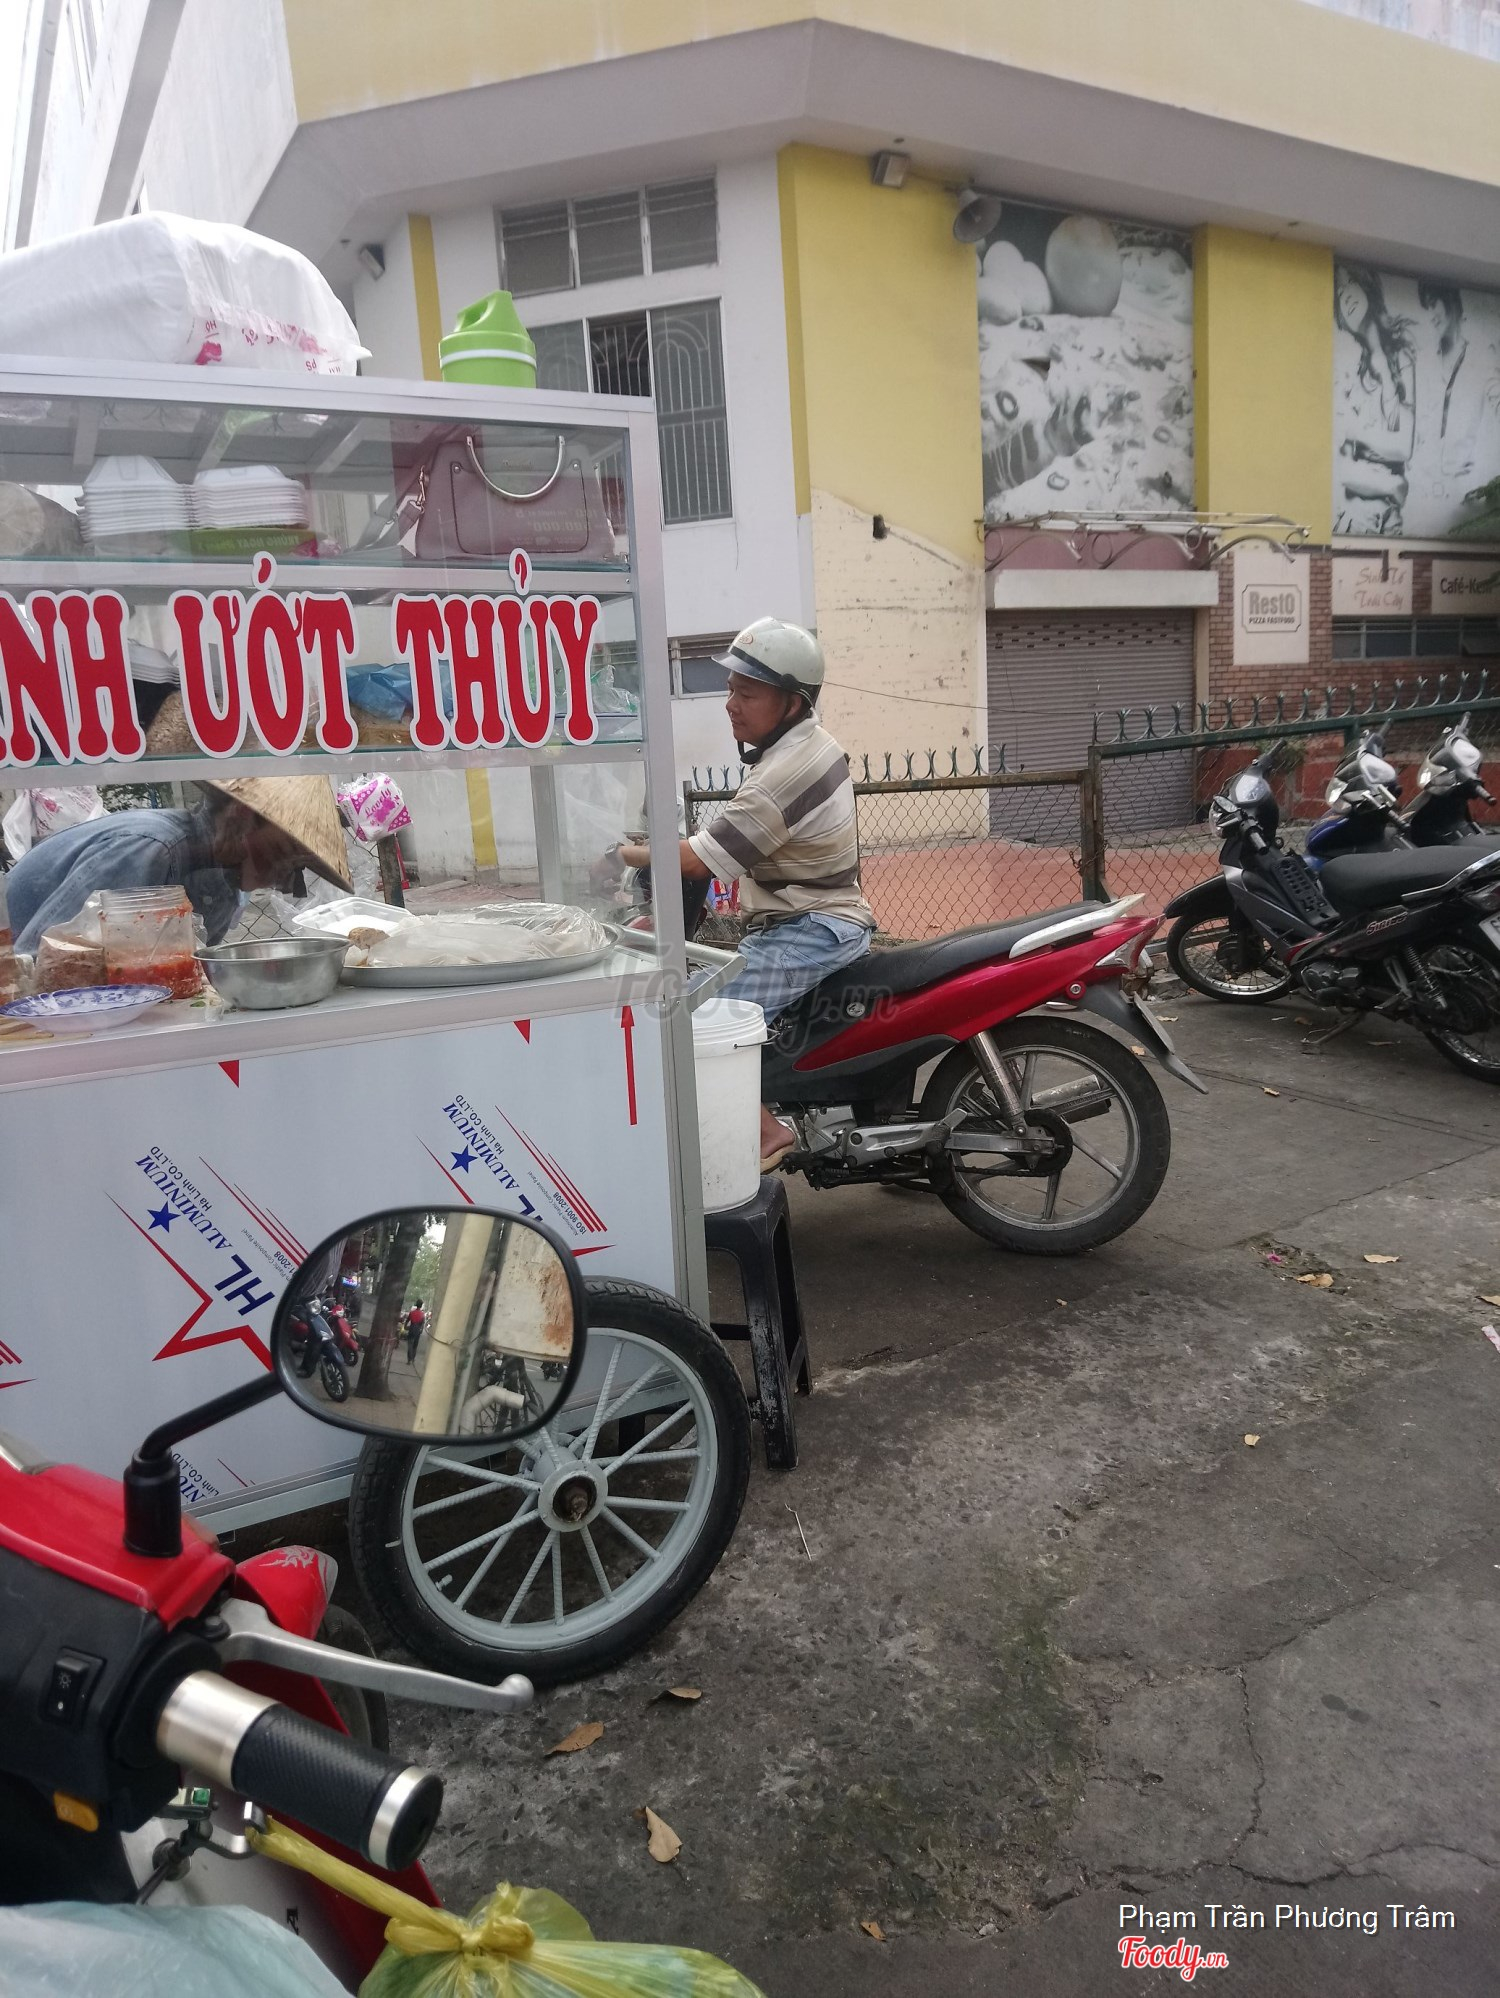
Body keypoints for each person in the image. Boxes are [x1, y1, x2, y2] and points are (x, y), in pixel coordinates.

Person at [618, 617, 875, 1166]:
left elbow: (697, 859)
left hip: (811, 928)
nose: (731, 705)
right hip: (810, 921)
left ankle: (765, 1133)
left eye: (748, 694)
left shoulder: (786, 772)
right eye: (730, 690)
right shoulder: (805, 746)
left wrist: (619, 856)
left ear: (793, 702)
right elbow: (715, 849)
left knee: (688, 1018)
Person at [7, 775, 352, 956]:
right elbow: (43, 962)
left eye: (294, 869)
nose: (281, 880)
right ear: (240, 817)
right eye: (279, 853)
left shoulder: (224, 886)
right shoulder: (151, 848)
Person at [1333, 264, 1415, 535]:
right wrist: (1392, 485)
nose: (1345, 296)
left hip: (1392, 519)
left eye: (1350, 283)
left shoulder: (1402, 359)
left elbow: (1403, 448)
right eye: (1339, 293)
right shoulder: (1349, 371)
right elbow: (1344, 471)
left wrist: (1357, 433)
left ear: (1366, 286)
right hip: (1356, 517)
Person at [405, 1298, 426, 1367]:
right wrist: (421, 1330)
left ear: (416, 1304)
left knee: (410, 1345)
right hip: (417, 1331)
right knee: (415, 1345)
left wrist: (405, 1326)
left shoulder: (412, 1312)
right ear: (421, 1305)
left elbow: (407, 1320)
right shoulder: (422, 1314)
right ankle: (413, 1359)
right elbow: (422, 1323)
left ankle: (409, 1360)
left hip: (411, 1329)